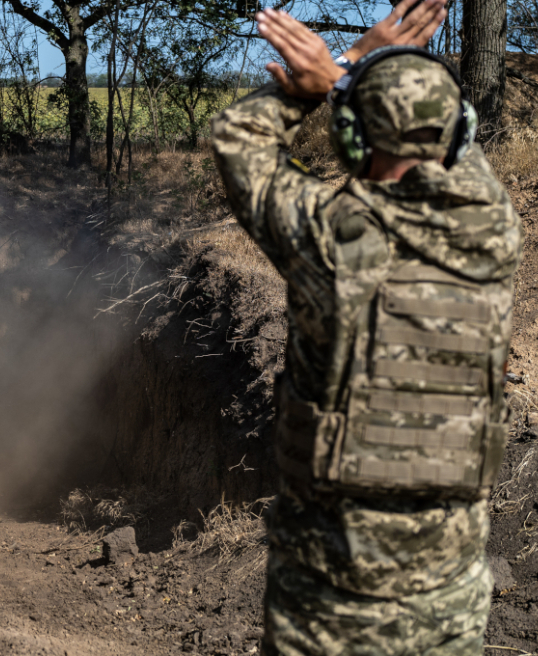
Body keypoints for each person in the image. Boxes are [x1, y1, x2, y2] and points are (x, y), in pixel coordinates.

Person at [209, 2, 522, 654]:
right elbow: (457, 149)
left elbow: (239, 137)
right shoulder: (493, 233)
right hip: (450, 604)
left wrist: (343, 68)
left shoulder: (328, 233)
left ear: (353, 137)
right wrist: (360, 83)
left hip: (329, 601)